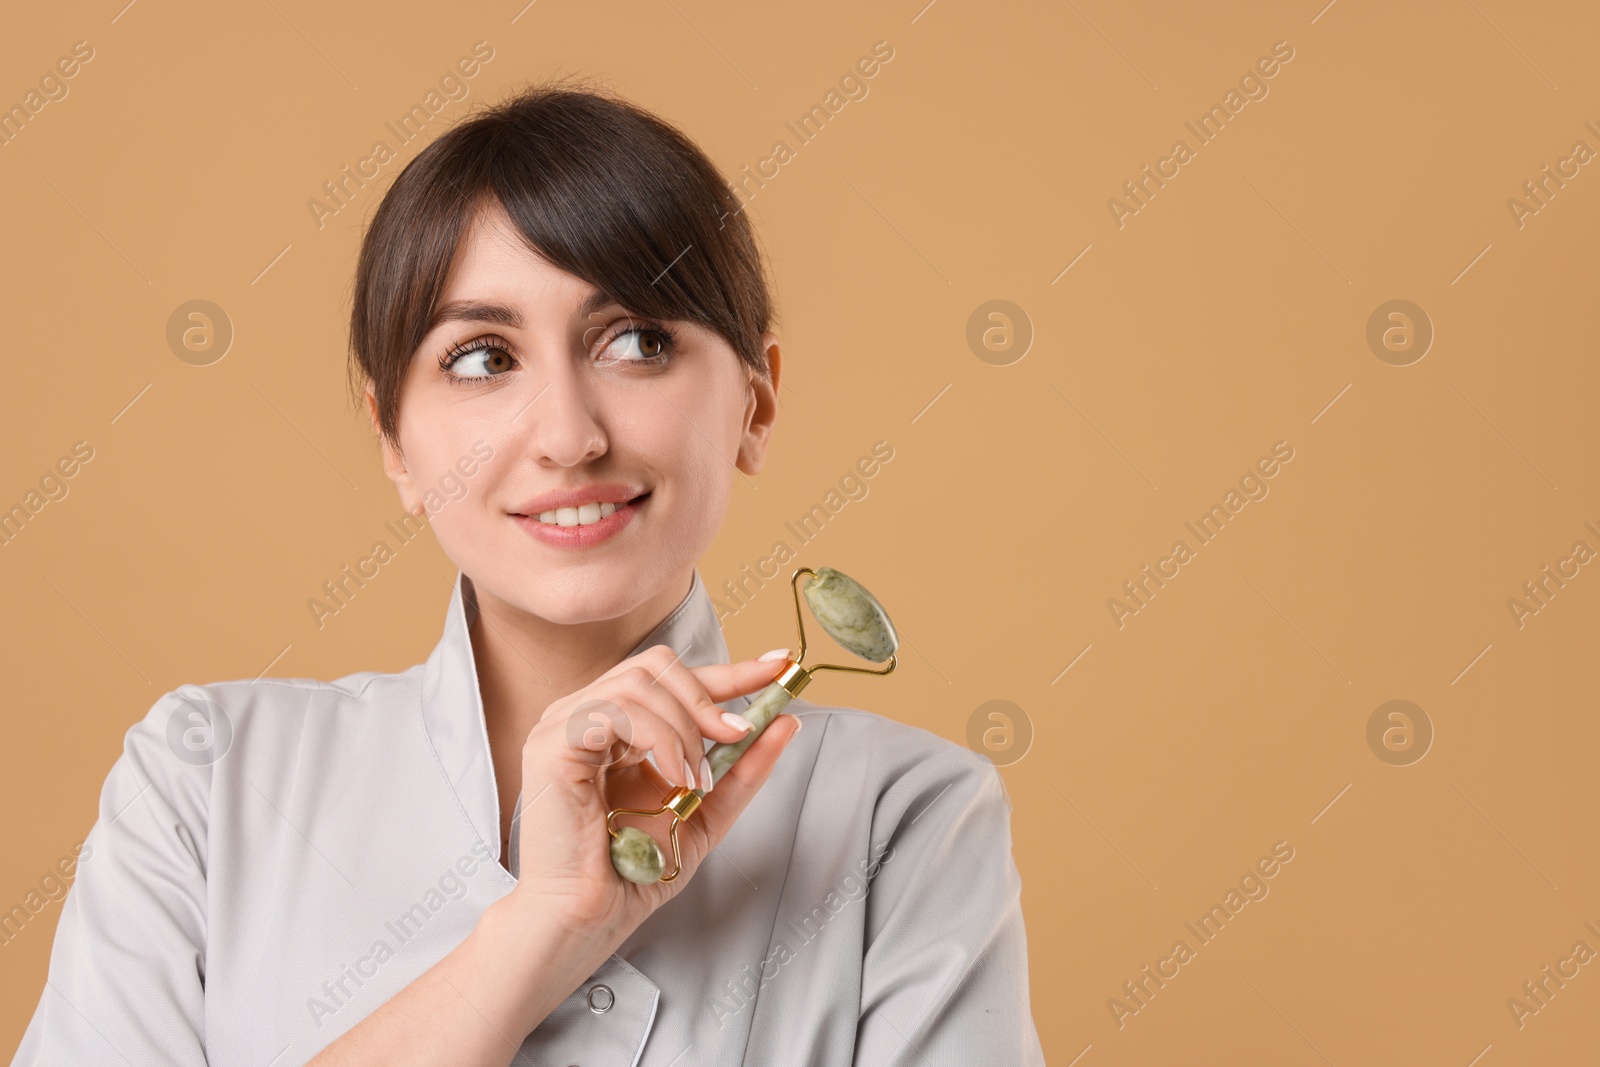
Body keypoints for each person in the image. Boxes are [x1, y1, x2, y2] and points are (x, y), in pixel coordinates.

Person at [12, 80, 1046, 1066]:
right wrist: (540, 929)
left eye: (636, 340)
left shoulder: (906, 815)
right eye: (481, 357)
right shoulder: (207, 777)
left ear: (755, 402)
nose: (567, 435)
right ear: (395, 442)